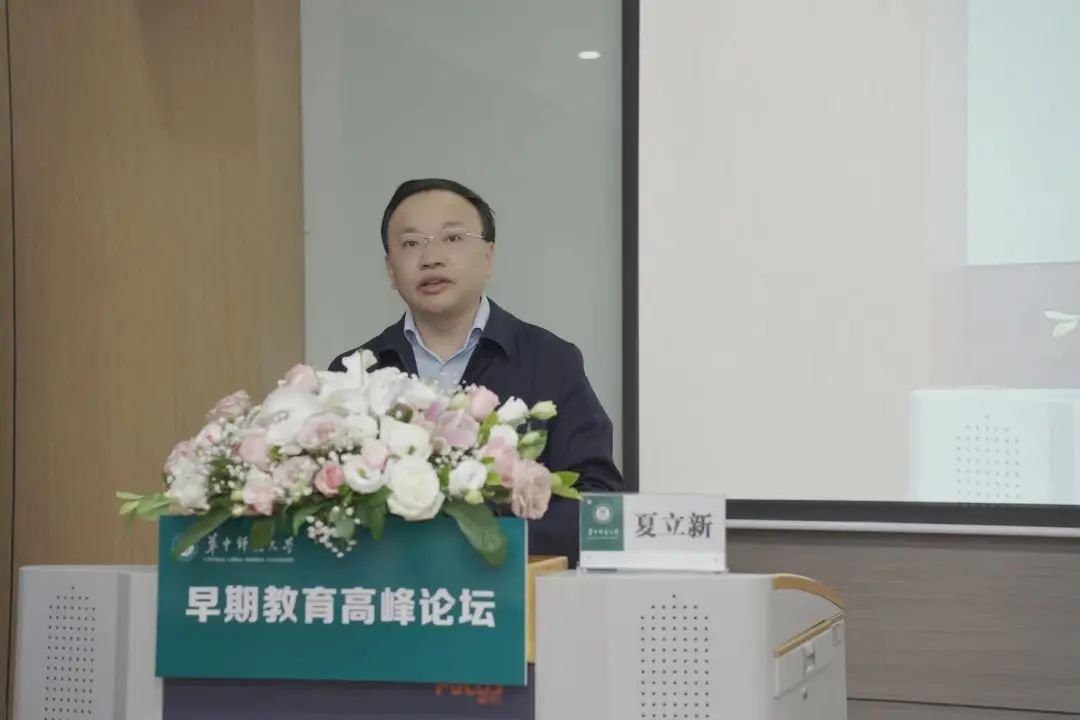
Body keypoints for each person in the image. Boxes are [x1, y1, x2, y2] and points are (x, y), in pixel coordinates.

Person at [329, 178, 622, 562]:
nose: (431, 258)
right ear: (390, 269)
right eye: (411, 243)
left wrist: (483, 541)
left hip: (506, 588)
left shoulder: (551, 361)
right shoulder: (357, 372)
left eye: (452, 238)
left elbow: (597, 502)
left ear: (488, 256)